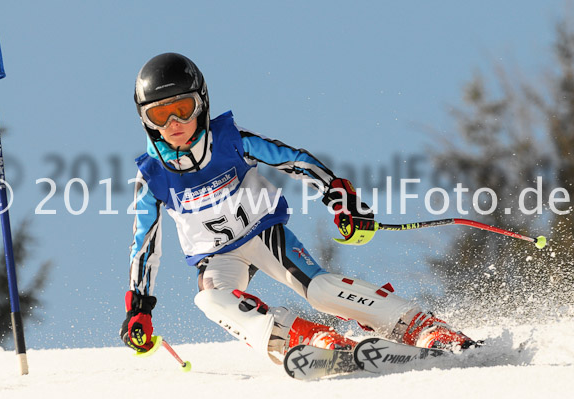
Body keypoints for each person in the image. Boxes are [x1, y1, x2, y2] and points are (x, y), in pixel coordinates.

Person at [119, 53, 475, 364]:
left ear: (202, 103)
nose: (173, 125)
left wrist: (341, 199)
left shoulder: (228, 140)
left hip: (263, 234)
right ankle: (305, 338)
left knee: (318, 290)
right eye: (160, 115)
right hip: (217, 256)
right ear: (145, 121)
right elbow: (145, 244)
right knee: (210, 299)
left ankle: (416, 323)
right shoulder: (152, 176)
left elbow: (294, 161)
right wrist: (139, 306)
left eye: (182, 109)